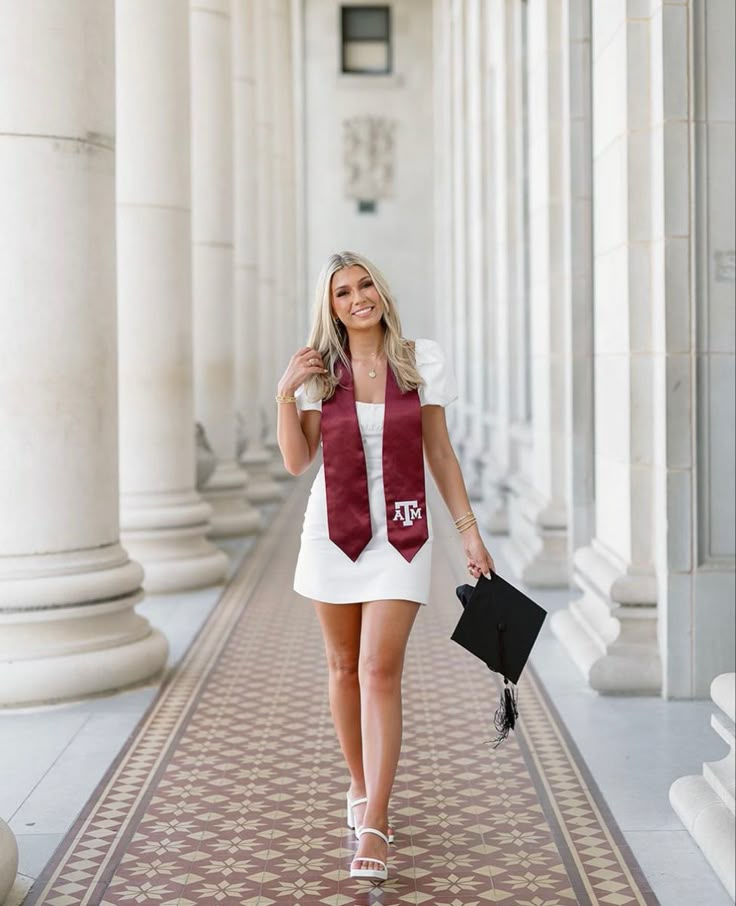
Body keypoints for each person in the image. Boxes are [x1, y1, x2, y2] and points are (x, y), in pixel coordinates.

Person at [276, 251, 495, 883]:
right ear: (332, 307)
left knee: (378, 667)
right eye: (343, 292)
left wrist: (470, 534)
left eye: (364, 284)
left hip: (401, 535)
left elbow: (442, 455)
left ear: (381, 291)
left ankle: (375, 816)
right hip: (332, 532)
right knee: (343, 667)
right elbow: (297, 461)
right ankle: (357, 783)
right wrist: (284, 392)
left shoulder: (418, 360)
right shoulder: (322, 373)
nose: (357, 298)